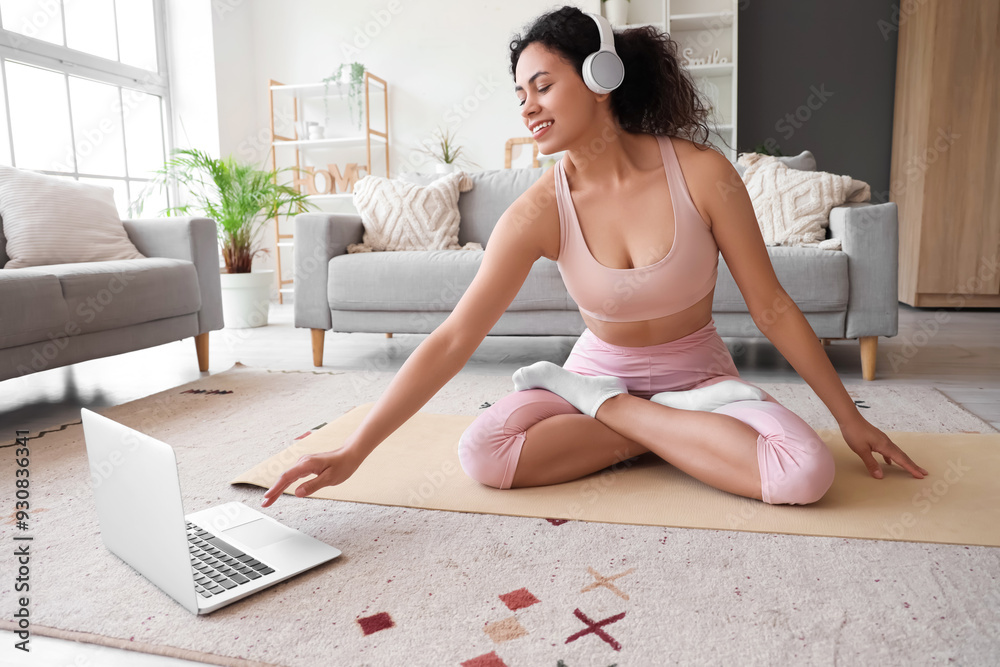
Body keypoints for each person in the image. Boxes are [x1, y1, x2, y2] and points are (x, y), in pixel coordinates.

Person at [261, 6, 927, 509]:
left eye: (542, 86)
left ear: (599, 78)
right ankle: (653, 426)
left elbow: (773, 306)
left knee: (806, 472)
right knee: (482, 452)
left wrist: (848, 420)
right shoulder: (536, 211)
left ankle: (623, 415)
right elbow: (456, 335)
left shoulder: (701, 173)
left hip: (698, 379)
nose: (528, 107)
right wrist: (356, 447)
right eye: (520, 94)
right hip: (595, 371)